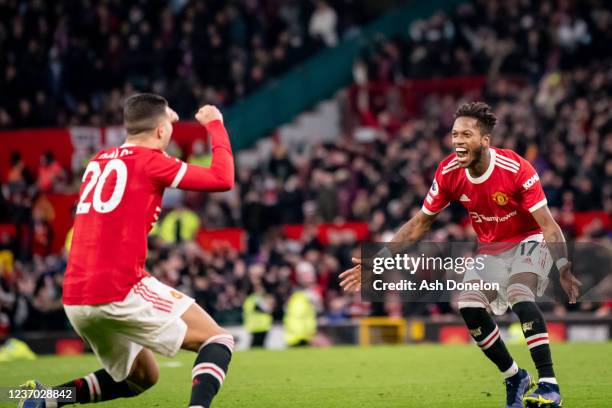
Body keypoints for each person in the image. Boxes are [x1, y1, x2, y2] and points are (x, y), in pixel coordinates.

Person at [339, 102, 581, 408]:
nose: (457, 141)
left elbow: (548, 224)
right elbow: (419, 224)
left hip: (529, 239)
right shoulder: (449, 172)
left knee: (520, 292)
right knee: (468, 305)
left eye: (466, 134)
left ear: (484, 141)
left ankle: (549, 384)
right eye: (454, 134)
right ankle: (514, 376)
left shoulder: (516, 168)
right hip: (491, 250)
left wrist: (562, 266)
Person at [21, 94, 236, 408]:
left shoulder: (99, 161)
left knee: (142, 377)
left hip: (76, 297)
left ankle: (45, 399)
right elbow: (222, 178)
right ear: (161, 132)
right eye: (167, 129)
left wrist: (162, 119)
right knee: (218, 339)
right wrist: (214, 124)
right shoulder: (151, 162)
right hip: (118, 288)